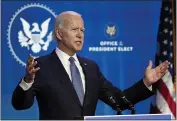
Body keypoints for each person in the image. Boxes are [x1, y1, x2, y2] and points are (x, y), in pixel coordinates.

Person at [12, 11, 169, 120]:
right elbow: (20, 105)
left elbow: (118, 100)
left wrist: (146, 82)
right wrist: (27, 81)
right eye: (74, 29)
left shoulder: (91, 67)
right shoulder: (41, 66)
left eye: (82, 30)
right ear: (59, 34)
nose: (80, 34)